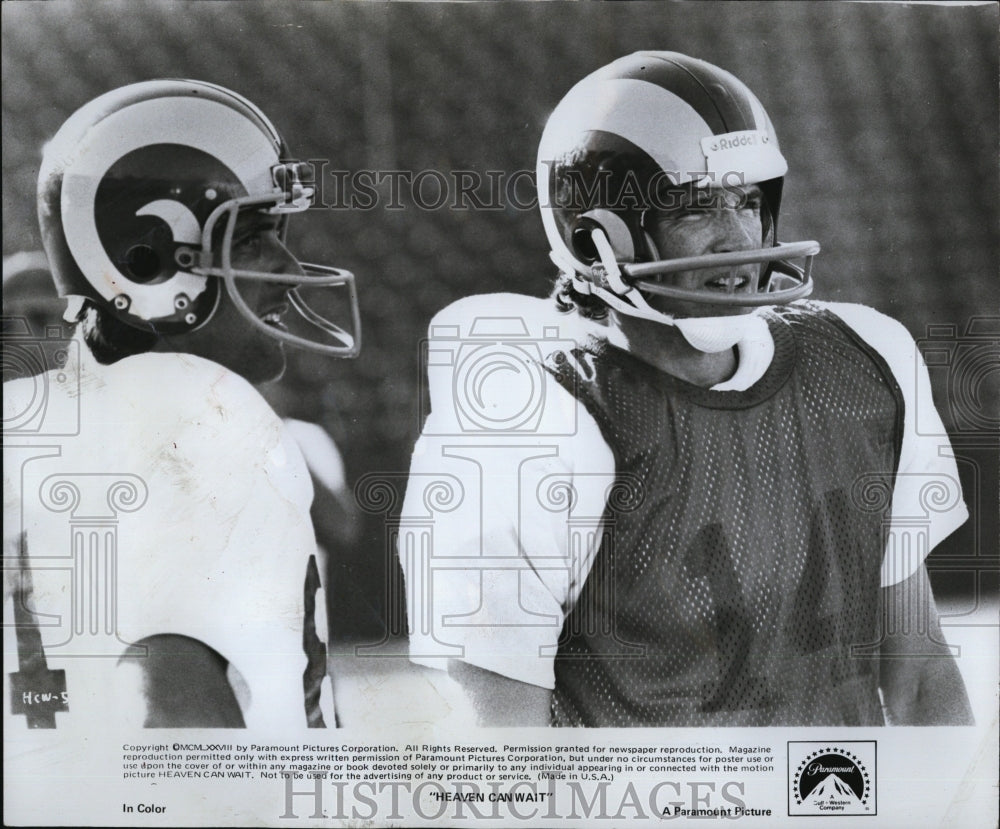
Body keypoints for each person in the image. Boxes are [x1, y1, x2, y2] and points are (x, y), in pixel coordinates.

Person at [400, 51, 974, 727]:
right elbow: (504, 749)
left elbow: (921, 680)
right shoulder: (534, 420)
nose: (739, 237)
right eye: (697, 205)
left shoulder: (861, 366)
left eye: (748, 200)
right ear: (598, 240)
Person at [3, 79, 362, 735]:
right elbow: (172, 738)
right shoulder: (184, 442)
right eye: (252, 237)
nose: (286, 263)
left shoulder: (58, 415)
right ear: (146, 269)